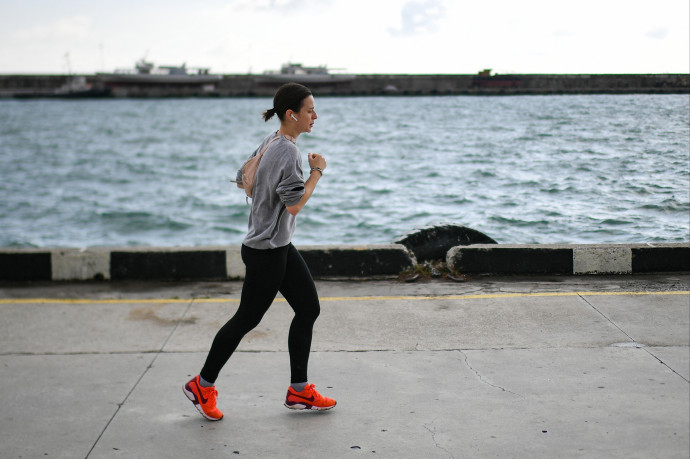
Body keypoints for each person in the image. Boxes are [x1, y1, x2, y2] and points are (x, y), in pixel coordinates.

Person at [183, 82, 336, 421]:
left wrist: (267, 197)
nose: (315, 115)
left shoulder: (273, 143)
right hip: (267, 250)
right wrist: (317, 172)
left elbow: (242, 178)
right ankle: (202, 385)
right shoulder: (288, 151)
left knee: (308, 308)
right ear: (291, 114)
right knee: (246, 319)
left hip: (274, 244)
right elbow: (295, 204)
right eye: (310, 109)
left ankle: (299, 389)